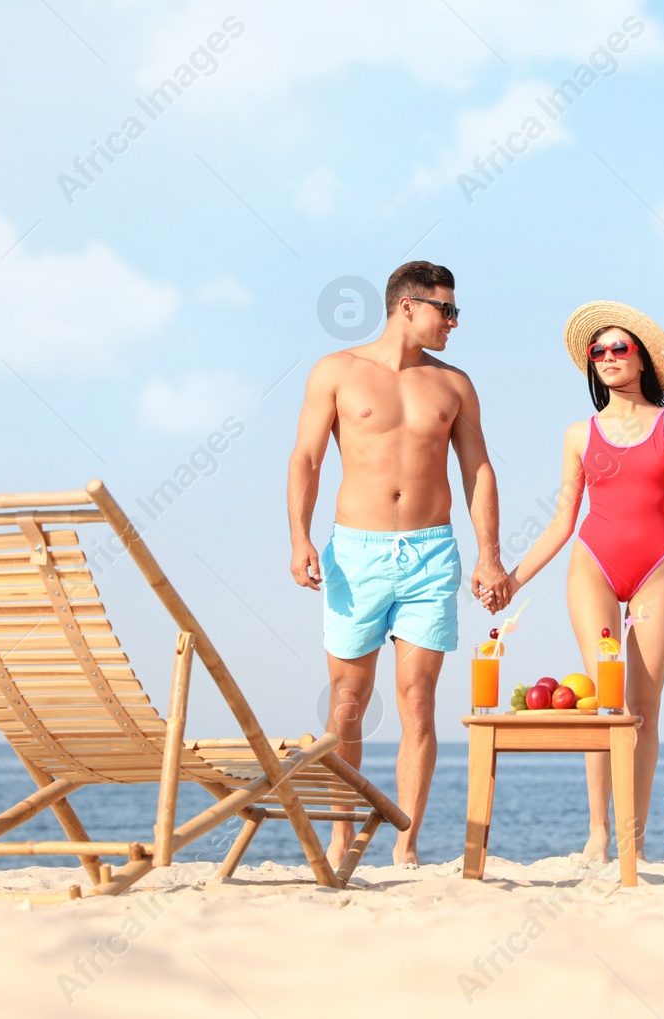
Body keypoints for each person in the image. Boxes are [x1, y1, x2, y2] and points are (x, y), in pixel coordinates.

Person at [288, 261, 510, 867]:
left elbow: (478, 469)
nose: (455, 324)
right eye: (448, 311)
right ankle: (340, 836)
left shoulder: (454, 385)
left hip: (430, 552)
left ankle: (405, 844)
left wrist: (489, 556)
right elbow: (306, 458)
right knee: (347, 701)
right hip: (355, 553)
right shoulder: (336, 372)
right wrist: (299, 538)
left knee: (418, 697)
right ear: (407, 307)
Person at [505, 301, 664, 862]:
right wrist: (512, 580)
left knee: (644, 708)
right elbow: (561, 521)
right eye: (599, 351)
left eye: (621, 348)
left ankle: (633, 840)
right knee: (605, 704)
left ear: (642, 359)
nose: (608, 357)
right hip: (593, 564)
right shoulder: (578, 433)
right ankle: (598, 834)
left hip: (655, 570)